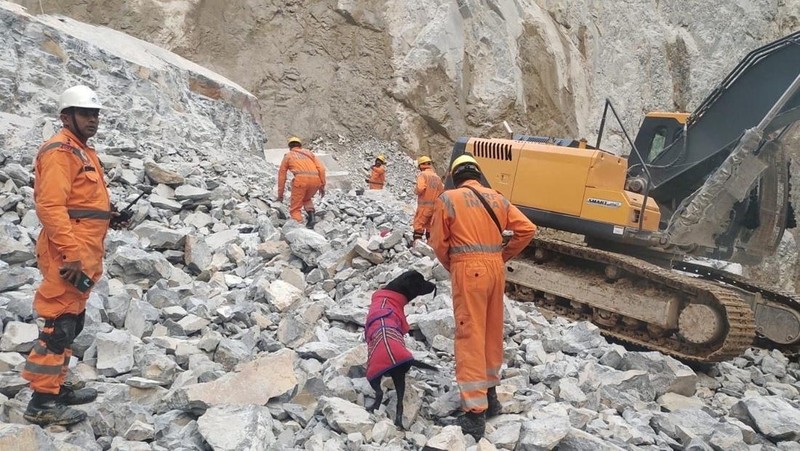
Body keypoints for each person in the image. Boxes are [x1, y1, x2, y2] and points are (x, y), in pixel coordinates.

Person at [22, 85, 126, 426]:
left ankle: (56, 386)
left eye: (95, 114)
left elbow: (81, 203)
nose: (93, 119)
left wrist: (110, 216)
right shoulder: (59, 151)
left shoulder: (81, 150)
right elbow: (50, 206)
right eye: (85, 113)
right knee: (59, 324)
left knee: (74, 317)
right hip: (68, 253)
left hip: (84, 250)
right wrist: (70, 254)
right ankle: (42, 402)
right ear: (66, 117)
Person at [429, 153, 536, 440]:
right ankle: (491, 395)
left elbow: (439, 243)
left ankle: (475, 413)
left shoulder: (448, 199)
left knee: (470, 335)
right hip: (495, 269)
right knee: (491, 330)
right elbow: (527, 229)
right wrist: (502, 256)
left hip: (469, 269)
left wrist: (455, 266)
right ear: (477, 173)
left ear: (454, 176)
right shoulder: (498, 198)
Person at [277, 136, 327, 228]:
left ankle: (298, 225)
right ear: (300, 146)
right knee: (306, 198)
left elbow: (282, 176)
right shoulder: (309, 154)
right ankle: (311, 217)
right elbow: (322, 169)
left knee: (295, 207)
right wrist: (322, 185)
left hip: (301, 180)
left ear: (290, 147)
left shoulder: (288, 156)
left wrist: (280, 195)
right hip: (315, 180)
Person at [412, 156, 444, 244]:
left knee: (419, 225)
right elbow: (442, 193)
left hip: (424, 207)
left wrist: (415, 191)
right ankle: (430, 246)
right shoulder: (437, 177)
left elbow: (420, 188)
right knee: (430, 227)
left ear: (421, 165)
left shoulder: (423, 175)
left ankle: (417, 244)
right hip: (434, 208)